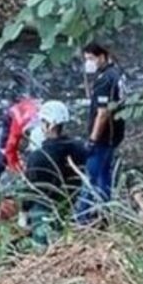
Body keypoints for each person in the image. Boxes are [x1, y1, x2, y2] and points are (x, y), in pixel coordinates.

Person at [74, 42, 126, 224]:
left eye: (91, 58)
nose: (88, 63)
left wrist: (92, 140)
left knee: (90, 177)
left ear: (102, 56)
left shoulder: (105, 80)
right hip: (115, 133)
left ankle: (80, 218)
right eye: (86, 59)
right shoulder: (117, 73)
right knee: (105, 174)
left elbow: (102, 114)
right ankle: (107, 211)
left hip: (104, 136)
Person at [23, 100, 88, 244]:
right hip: (72, 201)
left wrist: (24, 211)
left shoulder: (38, 157)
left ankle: (40, 248)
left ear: (49, 124)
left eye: (42, 121)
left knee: (37, 215)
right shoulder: (80, 147)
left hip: (47, 206)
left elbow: (30, 191)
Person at [0, 89, 41, 194]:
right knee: (3, 154)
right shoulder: (17, 129)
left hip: (30, 110)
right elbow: (9, 150)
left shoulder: (40, 128)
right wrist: (19, 172)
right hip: (12, 117)